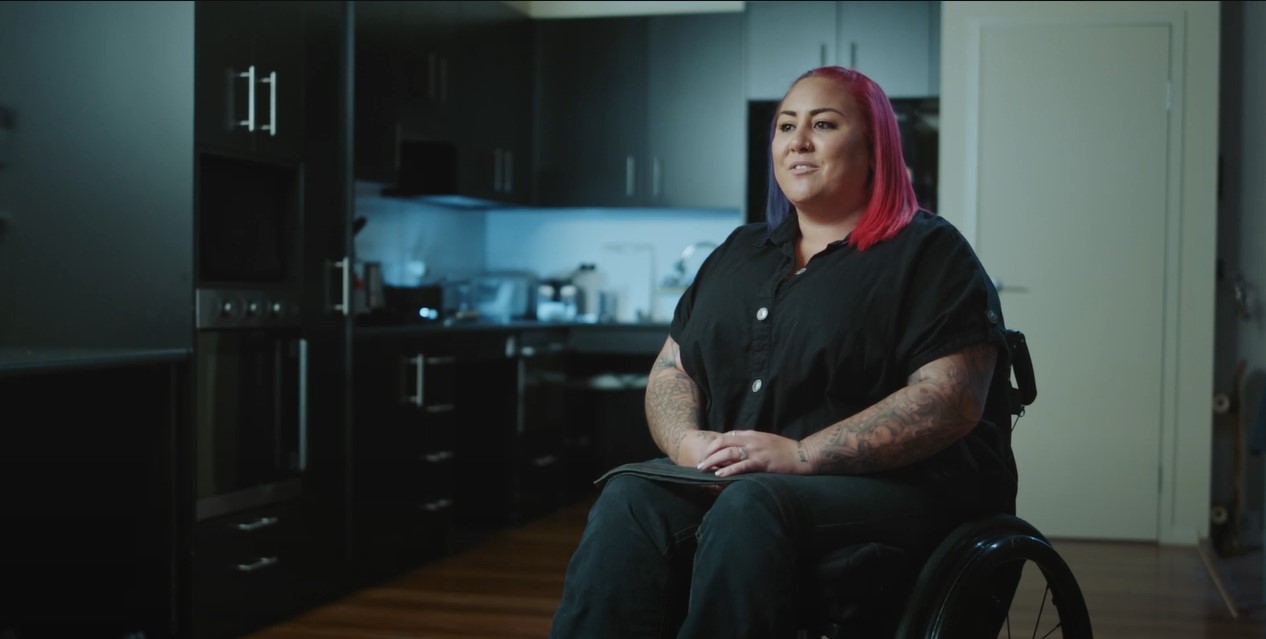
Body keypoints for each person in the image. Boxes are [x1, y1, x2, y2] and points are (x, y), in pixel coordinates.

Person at [549, 66, 1018, 639]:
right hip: (746, 483)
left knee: (753, 506)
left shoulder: (930, 254)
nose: (797, 141)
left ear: (875, 148)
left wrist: (802, 454)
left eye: (823, 124)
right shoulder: (738, 252)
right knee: (632, 496)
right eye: (785, 126)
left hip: (900, 492)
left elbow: (951, 400)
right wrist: (685, 443)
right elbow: (674, 368)